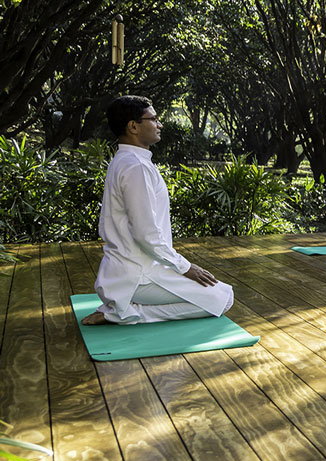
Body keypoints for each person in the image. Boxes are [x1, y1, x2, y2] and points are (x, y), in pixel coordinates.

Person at [81, 96, 234, 325]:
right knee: (223, 298)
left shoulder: (126, 159)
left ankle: (122, 307)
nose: (159, 124)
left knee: (217, 293)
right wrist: (185, 267)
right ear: (133, 126)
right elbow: (146, 234)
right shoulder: (135, 166)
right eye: (153, 119)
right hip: (138, 276)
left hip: (133, 270)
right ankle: (125, 313)